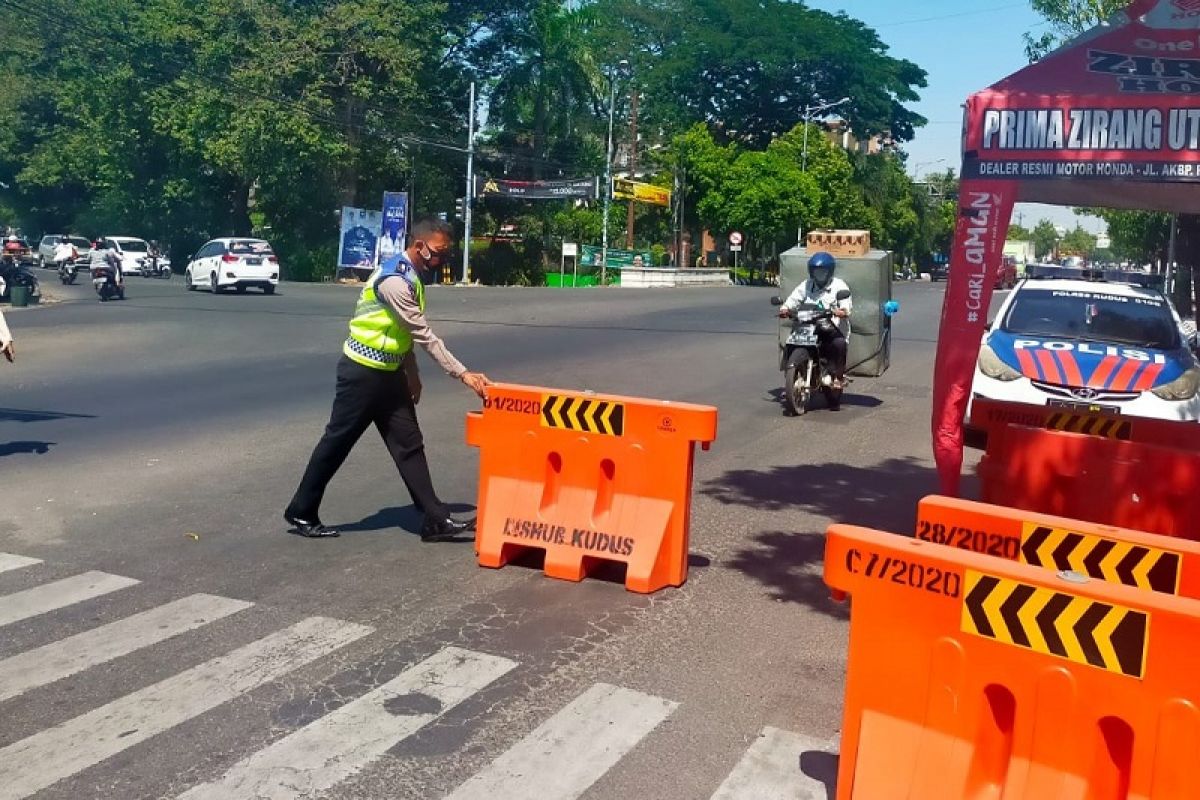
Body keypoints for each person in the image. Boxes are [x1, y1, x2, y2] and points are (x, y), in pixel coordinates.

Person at [285, 217, 492, 540]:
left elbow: (401, 334)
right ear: (419, 246)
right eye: (437, 253)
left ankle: (435, 518)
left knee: (409, 444)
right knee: (337, 442)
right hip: (362, 374)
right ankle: (301, 510)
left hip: (389, 374)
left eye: (445, 254)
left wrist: (412, 375)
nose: (440, 260)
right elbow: (422, 334)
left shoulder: (412, 276)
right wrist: (463, 374)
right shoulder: (395, 280)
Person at [779, 251, 852, 389]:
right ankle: (790, 380)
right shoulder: (807, 284)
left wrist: (840, 311)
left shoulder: (839, 285)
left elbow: (846, 307)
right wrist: (785, 309)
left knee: (839, 344)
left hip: (831, 327)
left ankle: (838, 377)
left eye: (822, 271)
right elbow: (794, 299)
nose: (819, 274)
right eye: (816, 271)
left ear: (829, 271)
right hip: (807, 324)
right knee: (790, 343)